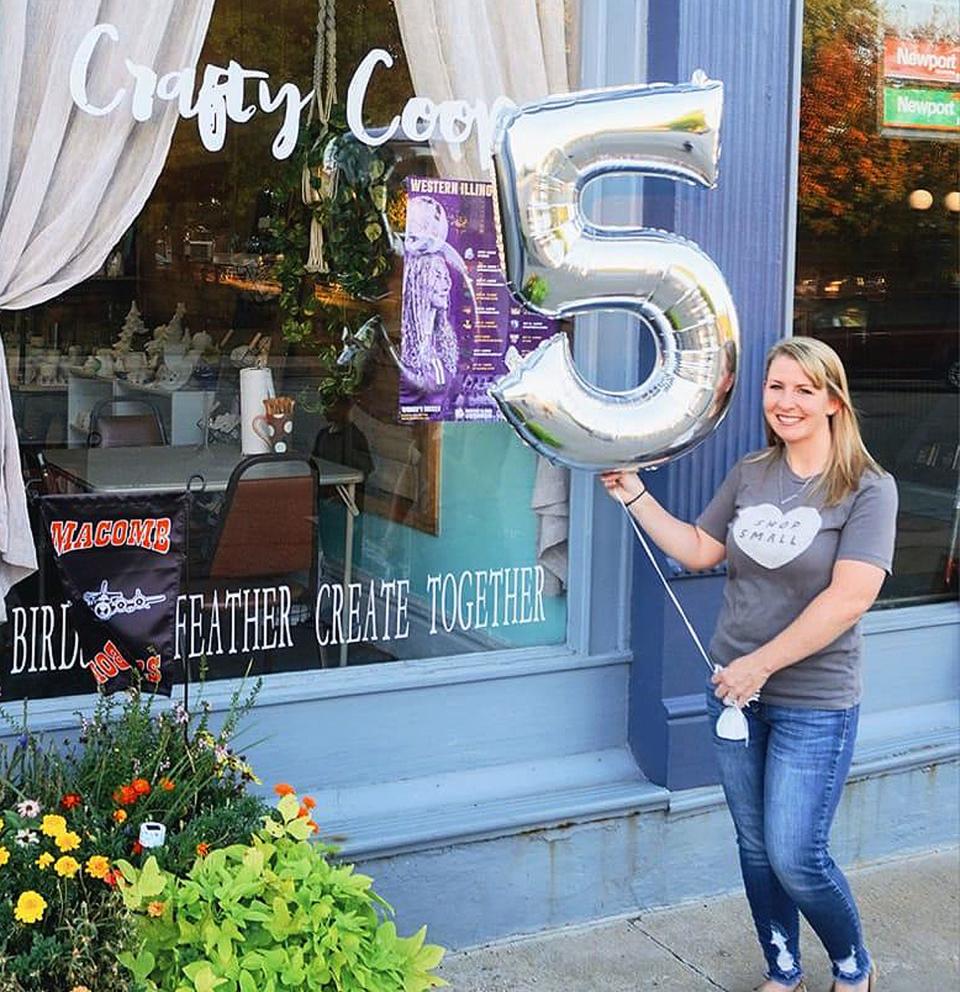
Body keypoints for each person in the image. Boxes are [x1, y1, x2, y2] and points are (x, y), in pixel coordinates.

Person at [602, 337, 897, 992]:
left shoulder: (868, 489)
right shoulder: (752, 472)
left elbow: (848, 598)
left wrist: (759, 665)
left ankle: (853, 965)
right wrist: (634, 496)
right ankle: (782, 968)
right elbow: (701, 549)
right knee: (757, 850)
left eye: (802, 389)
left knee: (797, 855)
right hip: (735, 697)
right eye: (775, 387)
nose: (785, 402)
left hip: (814, 703)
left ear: (832, 400)